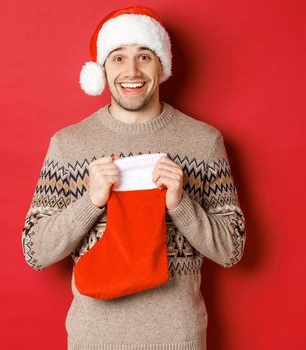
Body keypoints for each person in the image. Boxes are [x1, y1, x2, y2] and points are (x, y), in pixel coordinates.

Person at [20, 5, 246, 349]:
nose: (132, 71)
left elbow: (232, 251)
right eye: (118, 58)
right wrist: (90, 202)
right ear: (102, 69)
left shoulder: (203, 142)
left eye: (144, 56)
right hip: (94, 339)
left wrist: (181, 204)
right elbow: (35, 252)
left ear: (162, 66)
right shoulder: (69, 145)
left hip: (177, 338)